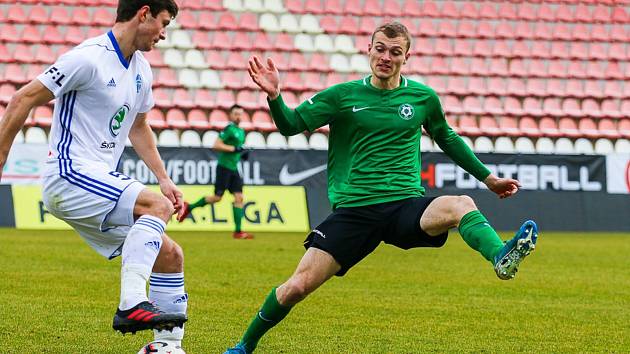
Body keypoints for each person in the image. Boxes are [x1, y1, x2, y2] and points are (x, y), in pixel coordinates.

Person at [224, 22, 540, 354]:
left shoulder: (423, 97)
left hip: (405, 206)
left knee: (461, 204)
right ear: (369, 50)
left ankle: (500, 257)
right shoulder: (342, 96)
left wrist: (489, 179)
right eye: (380, 48)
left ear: (406, 57)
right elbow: (290, 125)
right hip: (355, 211)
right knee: (296, 288)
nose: (385, 57)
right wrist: (275, 96)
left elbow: (446, 137)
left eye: (394, 51)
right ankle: (245, 345)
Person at [0, 0, 189, 349]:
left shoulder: (142, 70)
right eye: (163, 23)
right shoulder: (88, 57)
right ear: (143, 13)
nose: (164, 34)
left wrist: (164, 177)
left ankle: (166, 347)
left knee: (170, 255)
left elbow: (139, 126)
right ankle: (131, 303)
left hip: (96, 178)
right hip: (68, 174)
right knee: (156, 207)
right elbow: (22, 98)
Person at [177, 104, 254, 240]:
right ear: (231, 115)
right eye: (236, 114)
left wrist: (242, 153)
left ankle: (238, 231)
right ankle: (189, 207)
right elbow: (216, 145)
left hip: (234, 168)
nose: (238, 116)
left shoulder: (241, 131)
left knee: (239, 197)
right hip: (224, 167)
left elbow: (237, 149)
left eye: (240, 114)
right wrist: (234, 149)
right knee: (217, 198)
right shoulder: (229, 129)